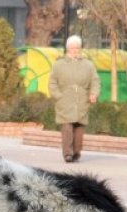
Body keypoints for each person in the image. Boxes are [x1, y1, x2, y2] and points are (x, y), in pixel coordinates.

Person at [48, 35, 100, 163]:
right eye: (72, 48)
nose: (75, 50)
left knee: (79, 128)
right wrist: (58, 96)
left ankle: (76, 152)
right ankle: (67, 153)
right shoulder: (59, 65)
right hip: (65, 101)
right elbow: (52, 83)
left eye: (77, 48)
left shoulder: (88, 65)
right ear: (67, 49)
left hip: (82, 101)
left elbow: (95, 81)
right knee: (67, 127)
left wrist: (93, 93)